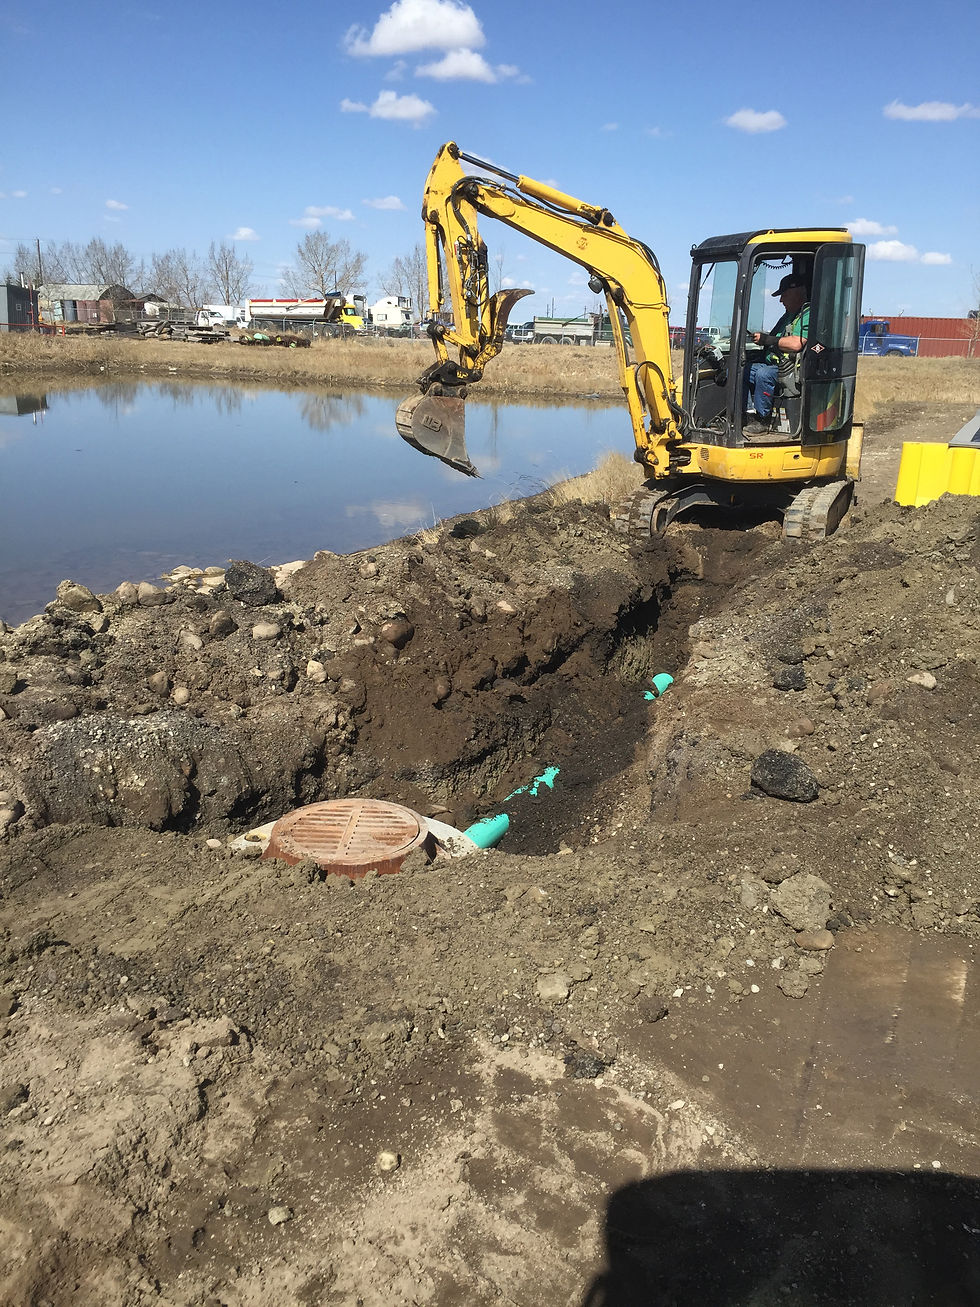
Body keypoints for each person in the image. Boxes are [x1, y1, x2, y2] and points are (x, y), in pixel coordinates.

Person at [743, 274, 810, 434]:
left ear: (798, 292)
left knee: (763, 374)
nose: (781, 301)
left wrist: (767, 339)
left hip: (791, 369)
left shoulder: (807, 313)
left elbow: (797, 343)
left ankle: (762, 420)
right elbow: (772, 339)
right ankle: (746, 414)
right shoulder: (787, 316)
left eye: (784, 295)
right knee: (740, 370)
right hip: (775, 365)